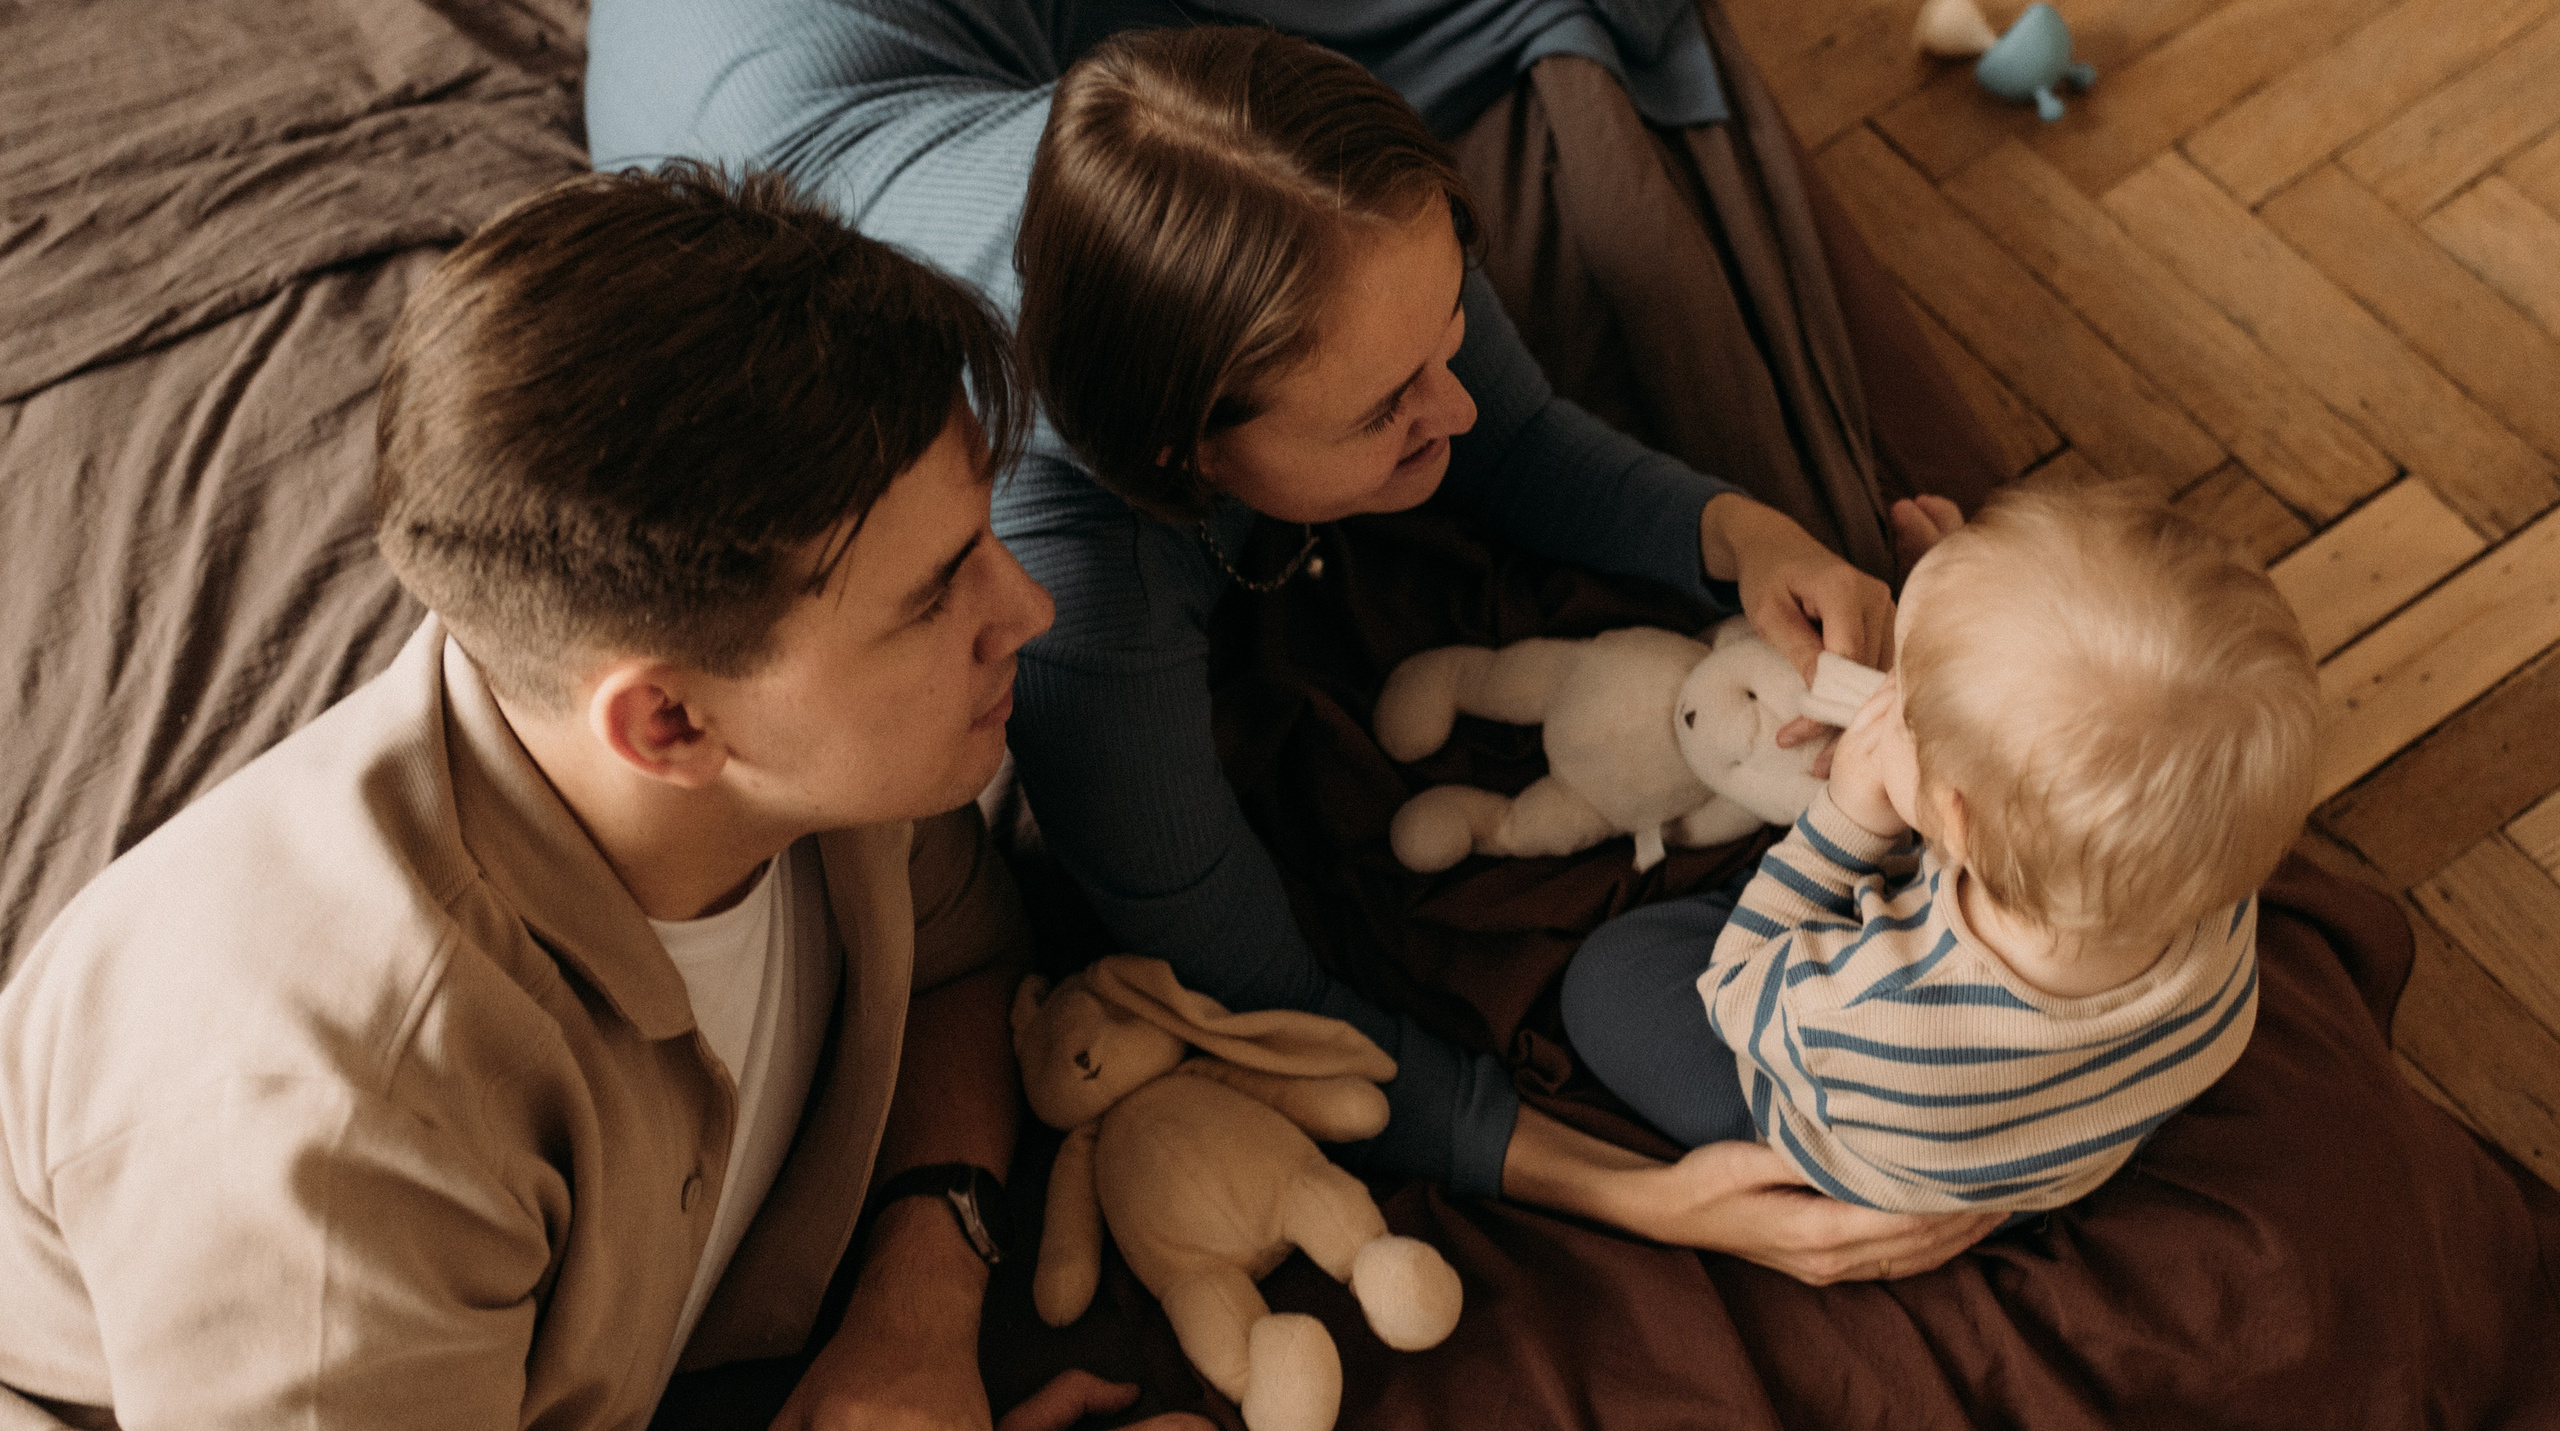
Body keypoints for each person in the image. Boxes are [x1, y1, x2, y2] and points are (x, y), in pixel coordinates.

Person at [0, 165, 1276, 1431]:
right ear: (667, 719)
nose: (1029, 611)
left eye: (982, 538)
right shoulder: (330, 1137)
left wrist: (919, 1293)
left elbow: (956, 960)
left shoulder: (826, 746)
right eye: (939, 594)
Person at [592, 8, 2002, 1286]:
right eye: (1386, 408)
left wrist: (1740, 531)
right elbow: (1252, 986)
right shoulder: (1069, 578)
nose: (1449, 411)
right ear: (1181, 450)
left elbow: (1507, 436)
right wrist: (1642, 1195)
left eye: (1451, 324)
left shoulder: (1315, 213)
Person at [1561, 485, 2322, 1213]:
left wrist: (1842, 825)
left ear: (1950, 822)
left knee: (1604, 985)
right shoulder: (2201, 868)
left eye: (1902, 694)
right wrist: (1972, 594)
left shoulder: (1870, 1011)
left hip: (1882, 1135)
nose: (1882, 689)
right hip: (2063, 1140)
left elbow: (1733, 990)